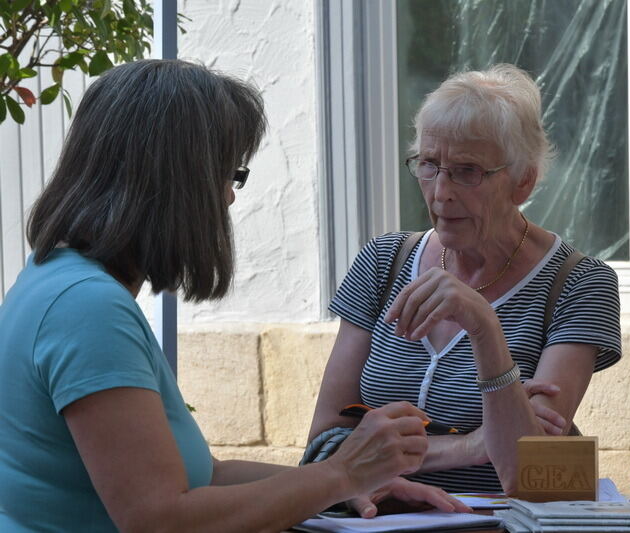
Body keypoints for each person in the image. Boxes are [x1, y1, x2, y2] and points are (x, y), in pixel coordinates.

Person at [0, 60, 470, 532]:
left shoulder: (54, 278)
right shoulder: (88, 309)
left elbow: (208, 477)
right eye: (229, 174)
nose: (228, 197)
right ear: (177, 179)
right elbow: (161, 520)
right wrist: (341, 472)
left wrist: (346, 487)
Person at [308, 63, 622, 494]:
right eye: (429, 165)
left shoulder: (579, 283)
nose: (441, 192)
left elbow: (529, 467)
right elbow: (322, 445)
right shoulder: (384, 263)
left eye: (467, 171)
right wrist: (473, 445)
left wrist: (484, 327)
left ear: (523, 182)